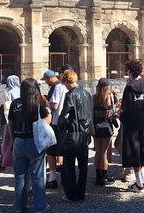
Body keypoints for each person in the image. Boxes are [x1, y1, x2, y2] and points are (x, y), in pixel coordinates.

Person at [8, 78, 52, 213]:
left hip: (19, 140)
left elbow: (10, 124)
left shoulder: (15, 104)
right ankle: (39, 206)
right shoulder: (40, 103)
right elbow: (48, 121)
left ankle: (19, 205)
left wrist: (14, 139)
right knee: (37, 174)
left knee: (19, 175)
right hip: (34, 141)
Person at [58, 69, 94, 202]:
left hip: (73, 134)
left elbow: (64, 114)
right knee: (83, 166)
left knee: (69, 166)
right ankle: (81, 193)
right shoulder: (87, 93)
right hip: (85, 134)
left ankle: (71, 194)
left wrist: (60, 126)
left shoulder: (71, 95)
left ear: (67, 81)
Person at [119, 59, 144, 193]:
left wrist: (121, 117)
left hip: (131, 125)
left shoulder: (130, 87)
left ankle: (138, 183)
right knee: (141, 151)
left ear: (130, 71)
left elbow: (125, 108)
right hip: (143, 123)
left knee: (134, 153)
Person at [44, 68, 68, 189]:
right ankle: (65, 176)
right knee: (63, 150)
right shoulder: (67, 86)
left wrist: (46, 103)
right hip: (66, 122)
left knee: (51, 151)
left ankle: (52, 178)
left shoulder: (56, 87)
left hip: (56, 121)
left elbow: (54, 105)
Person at [92, 78, 116, 186]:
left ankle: (97, 177)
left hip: (96, 126)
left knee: (98, 151)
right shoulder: (109, 97)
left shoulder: (93, 98)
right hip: (106, 127)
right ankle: (104, 175)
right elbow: (111, 113)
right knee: (104, 152)